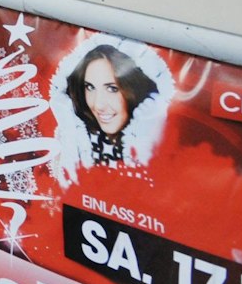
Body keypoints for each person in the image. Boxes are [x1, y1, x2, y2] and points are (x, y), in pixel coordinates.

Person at [49, 36, 171, 181]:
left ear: (136, 88)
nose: (98, 104)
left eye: (112, 89)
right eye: (90, 87)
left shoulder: (167, 146)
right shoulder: (68, 141)